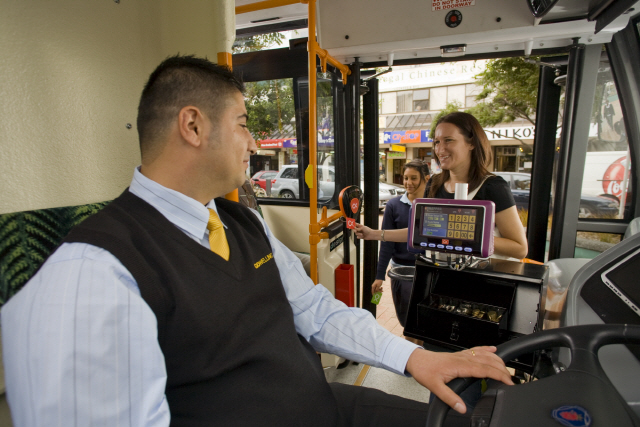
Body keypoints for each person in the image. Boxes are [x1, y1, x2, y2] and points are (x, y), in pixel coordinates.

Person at [1, 56, 513, 427]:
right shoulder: (91, 273)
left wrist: (414, 359)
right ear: (194, 126)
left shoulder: (242, 221)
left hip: (324, 406)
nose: (253, 142)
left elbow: (315, 309)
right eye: (244, 124)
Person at [355, 112, 528, 261]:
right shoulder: (435, 183)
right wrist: (374, 234)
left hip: (479, 283)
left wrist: (463, 236)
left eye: (449, 140)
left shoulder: (492, 186)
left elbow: (520, 248)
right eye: (437, 142)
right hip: (439, 277)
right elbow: (420, 231)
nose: (440, 149)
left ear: (472, 143)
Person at [372, 160, 430, 333]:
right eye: (405, 178)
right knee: (406, 321)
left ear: (426, 178)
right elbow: (387, 243)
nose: (408, 183)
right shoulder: (393, 205)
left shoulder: (433, 205)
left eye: (413, 178)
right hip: (401, 271)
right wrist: (379, 275)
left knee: (425, 321)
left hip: (427, 270)